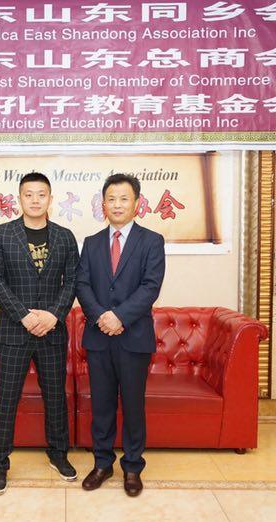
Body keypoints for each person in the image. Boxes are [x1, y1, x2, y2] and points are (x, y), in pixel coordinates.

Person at [0, 172, 80, 495]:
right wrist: (24, 316)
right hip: (15, 332)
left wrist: (53, 315)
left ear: (50, 199)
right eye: (29, 194)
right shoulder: (1, 235)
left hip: (52, 332)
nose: (35, 200)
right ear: (19, 198)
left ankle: (58, 453)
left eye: (41, 194)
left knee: (55, 396)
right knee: (6, 397)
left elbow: (73, 281)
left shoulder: (65, 237)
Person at [75, 173, 166, 497]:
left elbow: (150, 287)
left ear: (137, 203)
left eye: (124, 199)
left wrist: (120, 317)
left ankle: (132, 467)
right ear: (103, 204)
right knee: (101, 405)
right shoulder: (91, 243)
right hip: (99, 338)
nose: (117, 205)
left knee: (133, 405)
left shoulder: (152, 241)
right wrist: (101, 316)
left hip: (133, 337)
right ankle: (102, 464)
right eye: (111, 199)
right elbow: (82, 284)